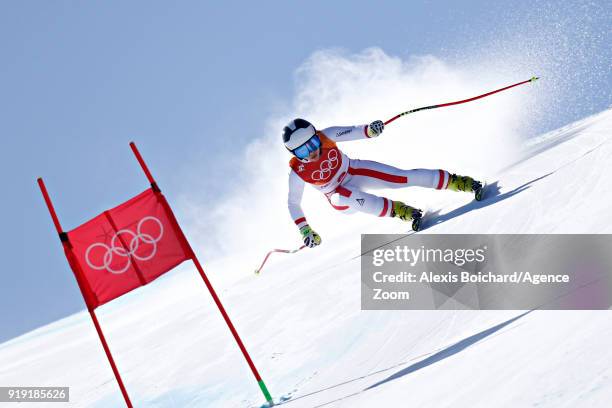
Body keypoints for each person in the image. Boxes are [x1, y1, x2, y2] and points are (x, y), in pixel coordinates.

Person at [284, 118, 483, 247]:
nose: (312, 152)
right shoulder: (297, 172)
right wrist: (305, 229)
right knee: (344, 194)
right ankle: (400, 211)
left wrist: (370, 130)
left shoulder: (327, 135)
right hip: (336, 194)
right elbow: (293, 203)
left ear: (317, 137)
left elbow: (354, 131)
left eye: (313, 143)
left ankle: (458, 182)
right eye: (303, 151)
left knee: (401, 177)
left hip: (354, 170)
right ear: (295, 154)